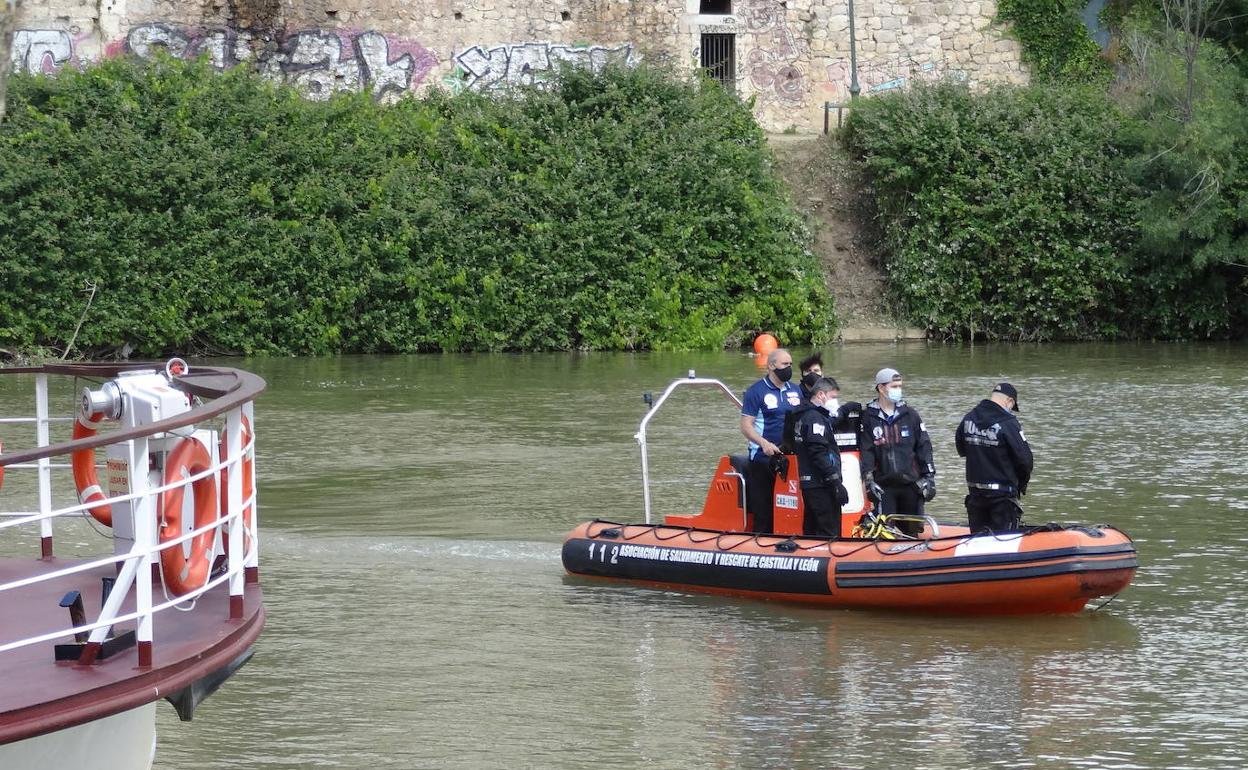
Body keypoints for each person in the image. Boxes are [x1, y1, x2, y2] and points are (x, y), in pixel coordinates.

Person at [858, 367, 936, 537]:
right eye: (894, 386)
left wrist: (929, 476)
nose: (898, 390)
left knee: (913, 530)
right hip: (884, 486)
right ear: (881, 388)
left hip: (910, 483)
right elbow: (867, 451)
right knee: (885, 531)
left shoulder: (910, 415)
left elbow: (924, 446)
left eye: (900, 386)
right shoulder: (868, 418)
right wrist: (869, 479)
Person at [955, 382, 1033, 533]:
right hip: (1002, 496)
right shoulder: (1008, 423)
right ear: (1010, 401)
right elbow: (1025, 460)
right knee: (1003, 544)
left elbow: (961, 448)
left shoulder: (968, 418)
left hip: (975, 494)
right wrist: (1021, 485)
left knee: (978, 543)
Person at [740, 348, 803, 533]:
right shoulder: (756, 391)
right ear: (771, 365)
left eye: (791, 364)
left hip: (791, 458)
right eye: (785, 364)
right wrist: (764, 443)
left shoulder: (796, 390)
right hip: (763, 458)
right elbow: (746, 426)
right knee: (764, 511)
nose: (789, 368)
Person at [791, 377, 849, 537]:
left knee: (812, 528)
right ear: (821, 394)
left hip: (811, 483)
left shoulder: (802, 415)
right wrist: (835, 482)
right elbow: (818, 452)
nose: (835, 402)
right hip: (821, 483)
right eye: (833, 397)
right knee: (829, 530)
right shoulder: (814, 417)